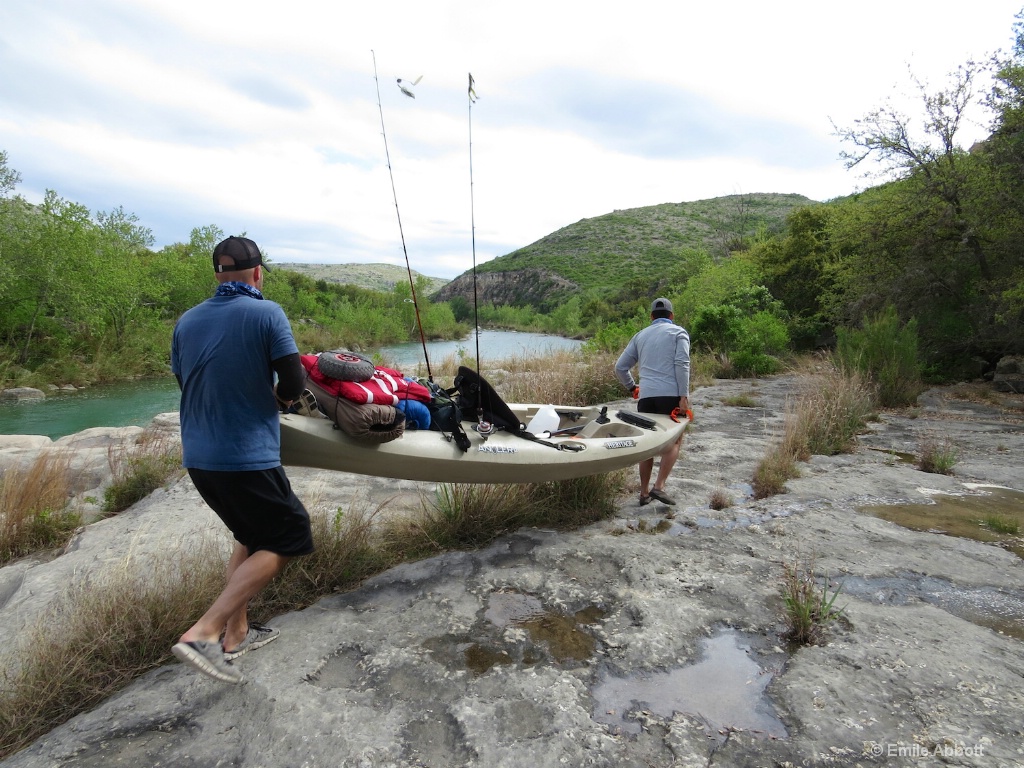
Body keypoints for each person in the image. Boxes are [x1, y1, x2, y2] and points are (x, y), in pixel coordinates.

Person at [170, 235, 313, 684]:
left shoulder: (187, 320)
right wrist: (279, 399)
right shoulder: (266, 312)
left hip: (198, 455)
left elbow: (184, 378)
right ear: (257, 273)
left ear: (216, 275)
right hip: (244, 456)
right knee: (291, 535)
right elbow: (293, 377)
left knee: (249, 534)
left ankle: (237, 633)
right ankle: (204, 633)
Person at [614, 297, 691, 506]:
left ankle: (644, 492)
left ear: (651, 317)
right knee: (674, 441)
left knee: (648, 445)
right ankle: (659, 487)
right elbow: (682, 364)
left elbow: (620, 367)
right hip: (671, 395)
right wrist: (683, 396)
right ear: (672, 316)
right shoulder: (678, 333)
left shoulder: (640, 336)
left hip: (646, 398)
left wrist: (633, 387)